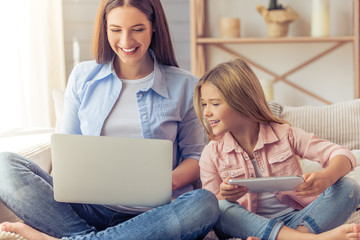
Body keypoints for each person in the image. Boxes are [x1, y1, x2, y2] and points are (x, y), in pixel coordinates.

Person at [0, 0, 219, 239]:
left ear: (154, 26)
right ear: (104, 29)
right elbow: (67, 146)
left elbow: (196, 157)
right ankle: (88, 236)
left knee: (205, 203)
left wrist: (166, 181)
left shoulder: (185, 84)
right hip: (89, 208)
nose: (126, 42)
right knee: (4, 166)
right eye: (116, 30)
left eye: (137, 29)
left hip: (155, 215)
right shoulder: (83, 77)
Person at [192, 58, 360, 240]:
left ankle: (297, 237)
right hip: (249, 227)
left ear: (242, 101)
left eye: (215, 104)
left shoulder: (285, 134)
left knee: (349, 187)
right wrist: (223, 195)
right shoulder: (211, 153)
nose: (207, 112)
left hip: (297, 220)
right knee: (222, 208)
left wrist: (327, 177)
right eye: (204, 104)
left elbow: (343, 154)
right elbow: (207, 210)